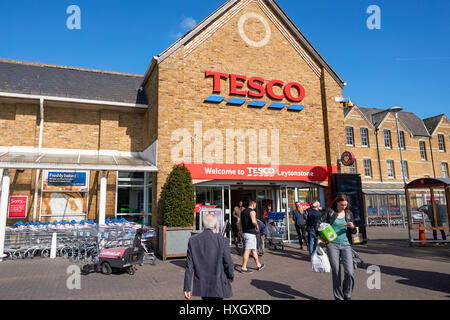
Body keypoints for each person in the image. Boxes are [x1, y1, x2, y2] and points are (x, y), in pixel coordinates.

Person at [184, 213, 234, 300]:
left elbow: (189, 266)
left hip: (203, 284)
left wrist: (187, 287)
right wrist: (230, 276)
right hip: (218, 283)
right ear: (215, 225)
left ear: (203, 225)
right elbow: (228, 262)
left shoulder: (193, 240)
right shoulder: (222, 240)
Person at [317, 194, 358, 300]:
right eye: (341, 205)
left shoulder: (349, 213)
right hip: (332, 244)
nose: (344, 207)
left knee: (350, 272)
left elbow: (354, 231)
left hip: (346, 245)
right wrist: (320, 237)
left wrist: (352, 227)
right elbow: (318, 224)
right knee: (336, 270)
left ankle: (347, 294)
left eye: (345, 205)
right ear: (336, 203)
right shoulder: (330, 212)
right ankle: (338, 297)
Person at [240, 200, 265, 273]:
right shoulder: (252, 212)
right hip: (250, 233)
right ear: (253, 204)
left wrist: (241, 231)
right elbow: (254, 221)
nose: (255, 206)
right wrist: (257, 226)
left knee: (254, 250)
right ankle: (243, 268)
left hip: (245, 232)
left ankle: (258, 265)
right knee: (247, 250)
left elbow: (240, 223)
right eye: (255, 205)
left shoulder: (243, 212)